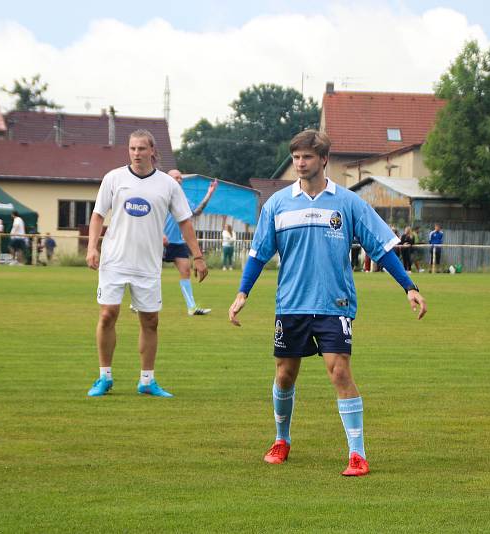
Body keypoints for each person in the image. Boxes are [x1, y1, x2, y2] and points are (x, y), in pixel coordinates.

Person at [228, 130, 426, 477]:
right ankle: (281, 439)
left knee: (339, 371)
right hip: (291, 304)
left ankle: (357, 454)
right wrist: (243, 292)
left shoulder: (347, 203)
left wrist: (409, 286)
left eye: (306, 157)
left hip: (335, 303)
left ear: (323, 160)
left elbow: (380, 248)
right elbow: (259, 254)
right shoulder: (278, 204)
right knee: (285, 375)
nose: (300, 163)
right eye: (296, 158)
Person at [85, 129, 209, 398]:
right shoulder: (114, 178)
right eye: (132, 148)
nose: (136, 154)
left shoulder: (168, 185)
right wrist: (92, 247)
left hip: (147, 265)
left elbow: (185, 223)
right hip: (114, 261)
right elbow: (97, 216)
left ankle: (147, 380)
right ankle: (104, 376)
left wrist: (197, 256)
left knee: (150, 321)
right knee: (108, 315)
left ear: (152, 151)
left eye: (141, 149)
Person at [162, 170, 217, 315]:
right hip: (159, 241)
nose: (179, 180)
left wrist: (209, 193)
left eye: (180, 177)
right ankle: (137, 303)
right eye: (176, 177)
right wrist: (159, 234)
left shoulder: (183, 199)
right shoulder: (159, 195)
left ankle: (191, 308)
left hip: (177, 242)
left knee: (185, 271)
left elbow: (196, 212)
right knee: (150, 273)